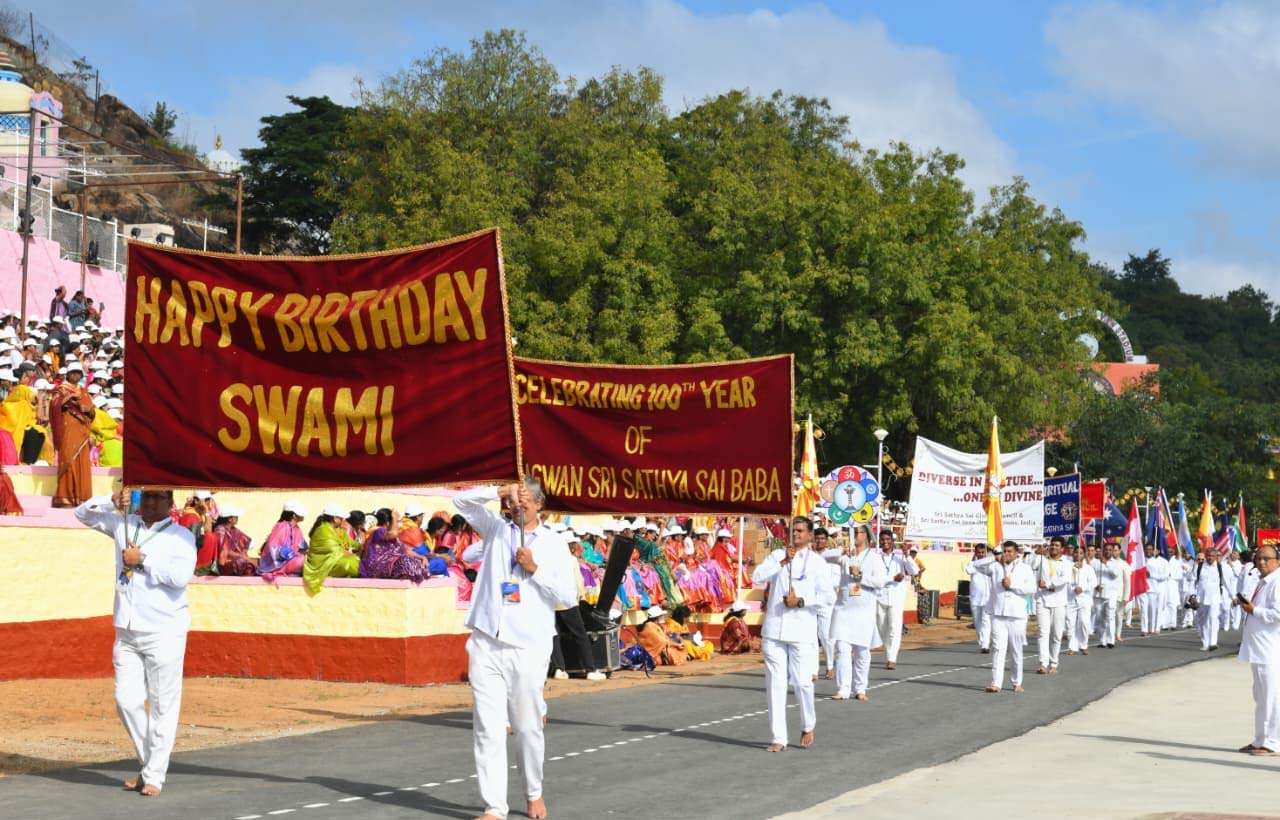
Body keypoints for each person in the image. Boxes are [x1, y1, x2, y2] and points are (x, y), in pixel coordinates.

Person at [455, 478, 577, 820]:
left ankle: (533, 793)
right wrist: (500, 491)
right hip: (486, 641)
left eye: (524, 502)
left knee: (526, 728)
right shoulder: (495, 530)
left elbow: (568, 597)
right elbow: (461, 504)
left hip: (528, 645)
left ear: (539, 505)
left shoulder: (554, 545)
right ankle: (494, 806)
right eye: (514, 502)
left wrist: (534, 569)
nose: (517, 508)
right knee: (488, 727)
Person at [75, 488, 196, 796]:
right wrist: (111, 500)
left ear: (170, 503)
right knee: (126, 701)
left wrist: (142, 560)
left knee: (162, 705)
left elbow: (180, 576)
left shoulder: (181, 535)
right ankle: (149, 764)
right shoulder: (124, 524)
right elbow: (82, 514)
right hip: (127, 628)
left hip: (163, 630)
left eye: (158, 498)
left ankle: (154, 775)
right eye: (147, 496)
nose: (151, 502)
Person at [752, 516, 830, 752]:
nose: (795, 534)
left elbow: (828, 598)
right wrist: (783, 561)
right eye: (792, 530)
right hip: (775, 629)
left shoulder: (818, 564)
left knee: (802, 682)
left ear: (809, 535)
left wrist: (801, 602)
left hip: (802, 630)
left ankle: (808, 724)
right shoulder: (778, 556)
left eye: (799, 531)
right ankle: (779, 737)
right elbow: (756, 577)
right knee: (775, 684)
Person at [830, 522, 886, 701]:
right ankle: (843, 689)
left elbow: (880, 582)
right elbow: (822, 555)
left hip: (864, 610)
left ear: (867, 536)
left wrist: (861, 577)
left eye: (859, 532)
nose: (855, 536)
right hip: (843, 609)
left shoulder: (874, 558)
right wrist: (840, 552)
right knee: (842, 649)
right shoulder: (845, 555)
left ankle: (860, 688)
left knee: (862, 651)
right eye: (853, 532)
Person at [973, 541, 1036, 693]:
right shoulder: (994, 567)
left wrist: (1012, 585)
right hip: (998, 614)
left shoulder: (1024, 568)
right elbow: (973, 567)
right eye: (1004, 551)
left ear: (1016, 553)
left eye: (1009, 551)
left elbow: (1032, 588)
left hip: (1017, 616)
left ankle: (1017, 682)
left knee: (1016, 650)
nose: (1006, 554)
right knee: (998, 649)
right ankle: (996, 683)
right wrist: (993, 557)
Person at [1236, 545, 1280, 756]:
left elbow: (1277, 614)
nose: (1261, 562)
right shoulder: (1264, 582)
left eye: (1266, 558)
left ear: (1277, 561)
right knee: (1261, 696)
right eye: (1258, 558)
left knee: (1272, 697)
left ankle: (1274, 741)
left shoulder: (1277, 582)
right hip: (1259, 648)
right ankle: (1260, 739)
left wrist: (1254, 610)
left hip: (1271, 648)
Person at [49, 361, 94, 507]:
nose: (75, 375)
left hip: (82, 432)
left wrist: (89, 411)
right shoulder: (61, 390)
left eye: (78, 373)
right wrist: (67, 398)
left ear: (81, 375)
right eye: (72, 372)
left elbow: (93, 413)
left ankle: (82, 498)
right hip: (67, 430)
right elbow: (54, 406)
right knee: (67, 461)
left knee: (82, 464)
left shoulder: (84, 391)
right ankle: (65, 497)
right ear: (67, 374)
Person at [873, 529, 917, 670]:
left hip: (896, 597)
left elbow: (914, 571)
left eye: (888, 539)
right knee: (882, 628)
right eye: (882, 539)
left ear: (892, 542)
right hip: (880, 597)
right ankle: (888, 652)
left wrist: (907, 555)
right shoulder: (875, 558)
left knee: (894, 628)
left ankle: (892, 658)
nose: (885, 542)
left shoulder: (900, 558)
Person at [303, 504, 362, 593]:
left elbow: (350, 544)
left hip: (334, 560)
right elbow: (336, 551)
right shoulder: (323, 530)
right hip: (324, 563)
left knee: (355, 561)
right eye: (341, 518)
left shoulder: (339, 530)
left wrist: (362, 545)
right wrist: (353, 556)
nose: (343, 521)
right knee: (349, 564)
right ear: (335, 518)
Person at [360, 508, 429, 582]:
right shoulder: (378, 531)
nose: (397, 524)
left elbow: (405, 551)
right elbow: (393, 534)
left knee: (416, 563)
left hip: (386, 568)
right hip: (373, 569)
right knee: (405, 562)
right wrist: (395, 518)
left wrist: (421, 557)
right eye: (395, 522)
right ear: (387, 523)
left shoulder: (392, 537)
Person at [1035, 536, 1071, 675]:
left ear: (1062, 548)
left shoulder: (1067, 563)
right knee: (1043, 633)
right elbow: (1033, 569)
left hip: (1059, 602)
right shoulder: (1042, 560)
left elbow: (1065, 579)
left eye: (1057, 545)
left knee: (1056, 635)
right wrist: (1037, 552)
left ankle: (1054, 662)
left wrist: (1050, 584)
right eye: (1052, 545)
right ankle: (1043, 664)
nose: (1053, 547)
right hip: (1042, 600)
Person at [812, 526, 840, 679]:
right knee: (810, 636)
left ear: (826, 540)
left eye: (822, 539)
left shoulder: (832, 558)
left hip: (826, 600)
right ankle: (813, 670)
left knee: (825, 635)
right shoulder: (809, 557)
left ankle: (829, 666)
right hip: (809, 600)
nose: (820, 541)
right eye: (817, 539)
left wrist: (824, 585)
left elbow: (836, 579)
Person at [259, 501, 308, 579]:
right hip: (277, 565)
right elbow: (274, 549)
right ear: (294, 515)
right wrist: (294, 555)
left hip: (291, 560)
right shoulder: (282, 527)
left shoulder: (297, 529)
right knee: (302, 560)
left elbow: (303, 547)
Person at [1193, 548, 1229, 651]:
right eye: (1208, 556)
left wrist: (1233, 596)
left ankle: (1213, 643)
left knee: (1213, 618)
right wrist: (1193, 597)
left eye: (1213, 556)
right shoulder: (1199, 567)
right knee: (1203, 620)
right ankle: (1205, 643)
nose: (1210, 558)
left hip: (1215, 597)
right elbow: (1194, 582)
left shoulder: (1218, 566)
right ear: (1205, 555)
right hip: (1202, 598)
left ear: (1216, 556)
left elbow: (1225, 582)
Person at [1066, 545, 1099, 655]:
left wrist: (1083, 588)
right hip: (1070, 599)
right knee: (1070, 624)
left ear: (1084, 555)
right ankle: (1072, 647)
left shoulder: (1088, 568)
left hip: (1084, 600)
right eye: (1076, 553)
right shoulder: (1068, 566)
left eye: (1080, 553)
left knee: (1084, 623)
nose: (1078, 555)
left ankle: (1083, 645)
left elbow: (1094, 582)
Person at [209, 506, 256, 577]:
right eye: (236, 516)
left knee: (258, 561)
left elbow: (245, 540)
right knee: (244, 562)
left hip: (234, 557)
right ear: (229, 519)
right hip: (224, 562)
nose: (237, 518)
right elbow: (225, 551)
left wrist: (245, 554)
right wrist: (243, 557)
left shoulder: (232, 529)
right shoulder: (220, 531)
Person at [965, 543, 993, 653]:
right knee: (977, 623)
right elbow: (968, 571)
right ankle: (981, 643)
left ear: (986, 553)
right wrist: (974, 561)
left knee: (986, 621)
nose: (981, 554)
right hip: (975, 598)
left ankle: (985, 645)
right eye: (979, 552)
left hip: (988, 598)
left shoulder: (990, 563)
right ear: (975, 553)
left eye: (983, 552)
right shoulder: (972, 564)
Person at [1098, 544, 1127, 648]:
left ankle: (1111, 641)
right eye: (1105, 550)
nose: (1107, 552)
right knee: (1100, 618)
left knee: (1110, 617)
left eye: (1110, 550)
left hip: (1111, 595)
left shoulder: (1116, 563)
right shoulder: (1097, 562)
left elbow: (1114, 574)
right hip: (1099, 595)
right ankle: (1102, 641)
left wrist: (1105, 563)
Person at [1140, 543, 1170, 636]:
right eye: (1147, 549)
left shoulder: (1158, 562)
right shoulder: (1141, 560)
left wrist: (1151, 575)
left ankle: (1153, 628)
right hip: (1142, 589)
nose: (1148, 551)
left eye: (1150, 549)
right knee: (1143, 610)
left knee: (1153, 610)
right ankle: (1144, 629)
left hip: (1153, 588)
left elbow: (1165, 575)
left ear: (1154, 551)